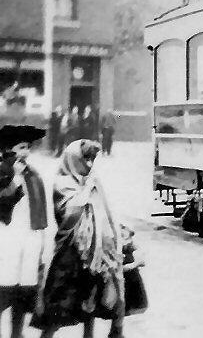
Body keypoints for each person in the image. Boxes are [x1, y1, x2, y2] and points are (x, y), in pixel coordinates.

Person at [32, 140, 125, 338]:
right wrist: (86, 192)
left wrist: (115, 236)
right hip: (69, 250)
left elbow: (106, 212)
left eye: (93, 159)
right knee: (59, 304)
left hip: (93, 251)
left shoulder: (92, 180)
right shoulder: (62, 182)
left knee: (90, 302)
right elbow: (67, 216)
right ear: (73, 160)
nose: (90, 164)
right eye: (86, 159)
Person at [0, 125, 49, 338]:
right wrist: (15, 179)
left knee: (22, 293)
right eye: (21, 147)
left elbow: (38, 210)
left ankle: (16, 335)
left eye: (28, 147)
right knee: (4, 290)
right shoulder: (3, 171)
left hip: (28, 239)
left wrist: (40, 238)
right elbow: (2, 204)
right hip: (7, 238)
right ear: (8, 149)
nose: (26, 152)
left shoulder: (32, 173)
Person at [119, 225, 147, 316]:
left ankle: (130, 306)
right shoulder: (118, 247)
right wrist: (134, 264)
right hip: (123, 275)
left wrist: (136, 262)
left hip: (131, 275)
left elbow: (142, 259)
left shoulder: (130, 246)